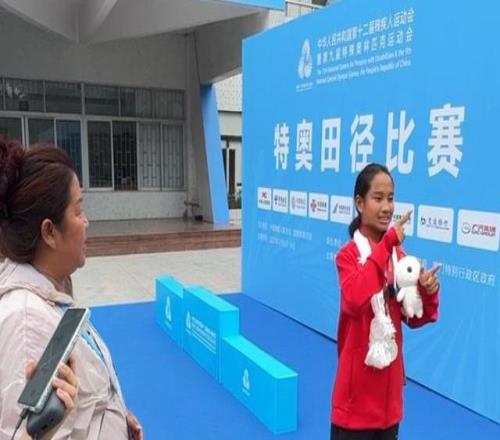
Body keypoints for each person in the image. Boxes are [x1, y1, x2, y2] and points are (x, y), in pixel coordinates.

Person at [0, 137, 143, 439]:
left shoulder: (53, 290)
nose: (87, 221)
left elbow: (81, 404)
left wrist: (116, 417)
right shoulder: (25, 323)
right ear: (49, 232)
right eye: (78, 211)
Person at [330, 163, 440, 440]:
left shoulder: (398, 258)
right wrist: (387, 245)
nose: (387, 207)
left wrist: (427, 291)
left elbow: (415, 317)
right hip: (354, 404)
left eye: (390, 198)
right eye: (378, 198)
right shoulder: (348, 256)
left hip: (388, 405)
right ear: (360, 203)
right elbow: (354, 299)